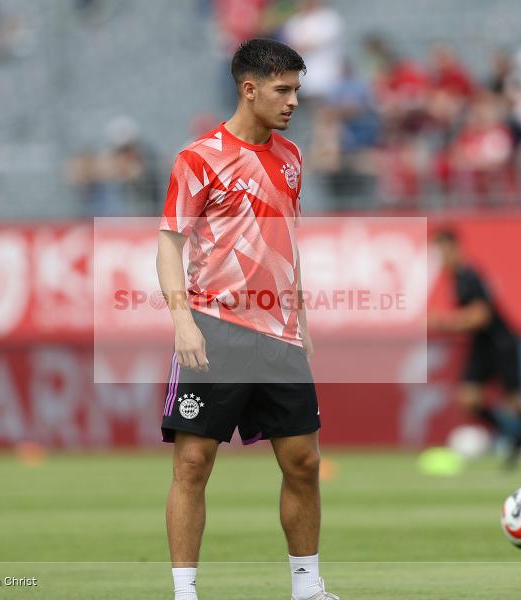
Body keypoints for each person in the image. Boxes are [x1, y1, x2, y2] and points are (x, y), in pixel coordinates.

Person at [156, 39, 338, 600]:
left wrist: (301, 317)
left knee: (303, 462)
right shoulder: (199, 158)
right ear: (249, 88)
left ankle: (307, 588)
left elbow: (288, 241)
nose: (294, 101)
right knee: (193, 463)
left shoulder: (292, 157)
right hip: (213, 327)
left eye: (297, 90)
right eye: (283, 90)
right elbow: (168, 245)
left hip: (279, 334)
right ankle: (185, 593)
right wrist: (182, 322)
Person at [429, 230, 521, 471]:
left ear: (454, 248)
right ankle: (515, 436)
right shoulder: (456, 279)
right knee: (469, 399)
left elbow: (481, 316)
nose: (439, 258)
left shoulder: (469, 276)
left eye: (442, 251)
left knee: (515, 401)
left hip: (501, 343)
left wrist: (444, 322)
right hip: (482, 345)